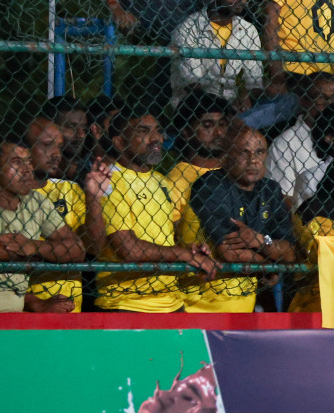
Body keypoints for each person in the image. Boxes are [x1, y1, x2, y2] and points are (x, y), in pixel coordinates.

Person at [96, 107, 219, 313]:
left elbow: (166, 242)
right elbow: (128, 249)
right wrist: (183, 255)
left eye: (158, 131)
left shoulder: (161, 180)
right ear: (119, 142)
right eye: (143, 131)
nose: (157, 139)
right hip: (126, 305)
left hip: (171, 303)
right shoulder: (109, 181)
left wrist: (191, 250)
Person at [0, 136, 85, 312]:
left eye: (29, 161)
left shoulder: (36, 201)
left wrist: (32, 247)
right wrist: (41, 254)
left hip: (14, 313)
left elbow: (76, 249)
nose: (27, 169)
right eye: (16, 162)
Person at [181, 126, 297, 311]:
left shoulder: (270, 189)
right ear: (226, 156)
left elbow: (291, 252)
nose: (253, 160)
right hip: (199, 306)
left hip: (244, 304)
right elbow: (230, 252)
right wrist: (271, 264)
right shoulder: (210, 185)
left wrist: (259, 241)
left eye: (259, 152)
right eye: (244, 152)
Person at [172, 0, 291, 128]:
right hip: (198, 111)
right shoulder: (188, 29)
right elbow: (195, 87)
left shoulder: (247, 30)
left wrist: (246, 95)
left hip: (237, 111)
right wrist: (228, 107)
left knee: (290, 101)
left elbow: (253, 82)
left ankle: (239, 125)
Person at [23, 116, 109, 312]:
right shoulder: (8, 196)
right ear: (23, 148)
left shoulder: (69, 190)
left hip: (70, 307)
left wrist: (93, 197)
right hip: (22, 309)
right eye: (46, 145)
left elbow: (93, 247)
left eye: (59, 147)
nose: (55, 154)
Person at [267, 73, 334, 205]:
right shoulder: (285, 143)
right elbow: (282, 200)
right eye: (321, 97)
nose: (329, 104)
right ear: (304, 100)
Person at [165, 93, 231, 226]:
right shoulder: (176, 181)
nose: (219, 132)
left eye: (222, 124)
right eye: (208, 125)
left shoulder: (237, 169)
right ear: (186, 132)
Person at [41, 96, 92, 179]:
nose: (81, 134)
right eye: (70, 127)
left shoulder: (87, 176)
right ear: (50, 128)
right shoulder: (33, 178)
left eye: (84, 128)